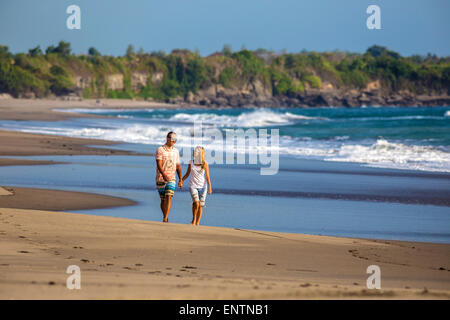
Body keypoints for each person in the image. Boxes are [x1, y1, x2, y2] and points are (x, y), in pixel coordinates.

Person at [155, 132, 182, 222]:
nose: (174, 141)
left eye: (175, 140)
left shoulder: (176, 151)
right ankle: (165, 216)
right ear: (167, 138)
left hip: (172, 178)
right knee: (163, 199)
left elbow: (178, 166)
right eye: (172, 139)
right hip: (160, 178)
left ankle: (165, 217)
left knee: (169, 196)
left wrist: (180, 179)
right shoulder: (160, 149)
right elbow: (159, 164)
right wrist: (164, 174)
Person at [182, 146, 212, 225]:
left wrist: (209, 187)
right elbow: (187, 174)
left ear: (200, 154)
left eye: (196, 152)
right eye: (194, 151)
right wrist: (181, 180)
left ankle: (197, 223)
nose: (194, 153)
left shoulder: (205, 164)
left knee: (200, 205)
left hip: (203, 187)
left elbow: (207, 176)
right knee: (196, 203)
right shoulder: (191, 162)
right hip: (193, 186)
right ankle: (193, 219)